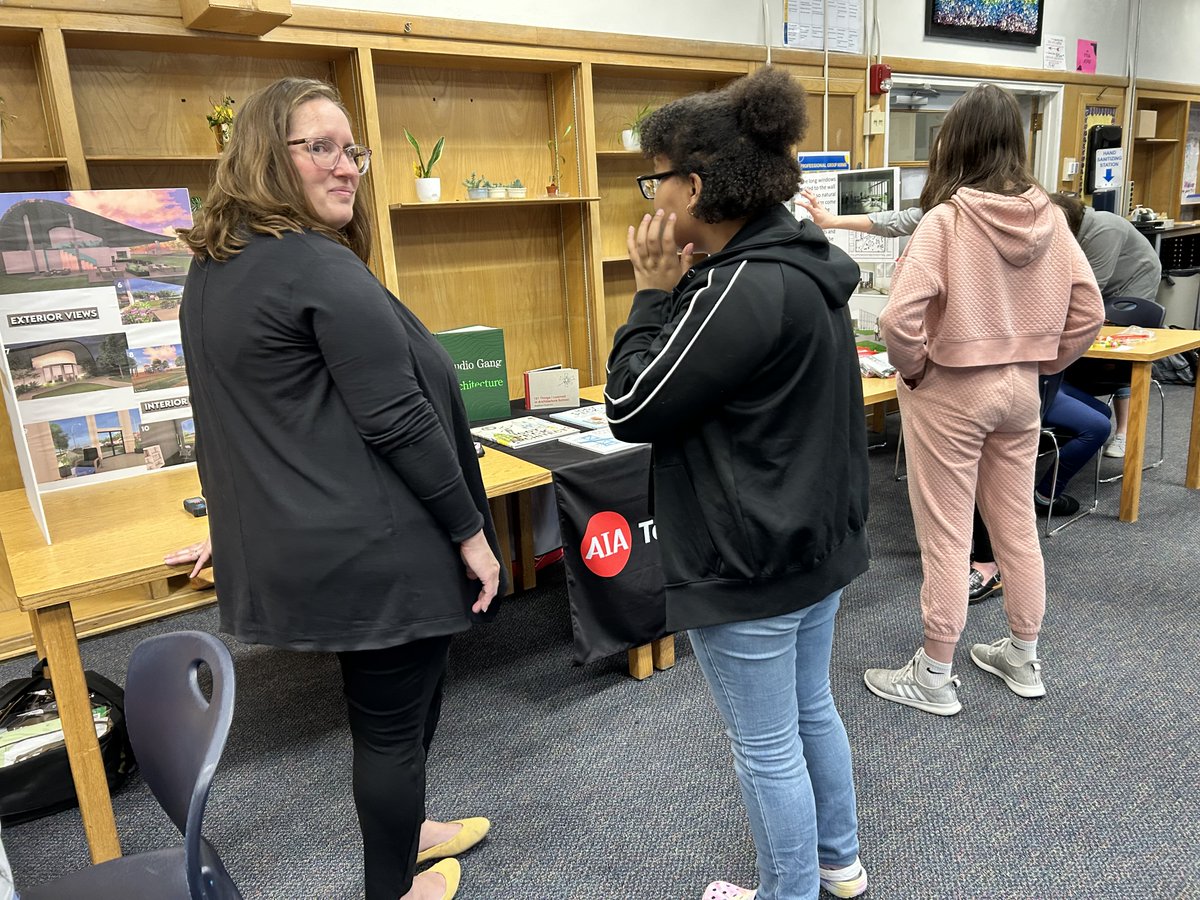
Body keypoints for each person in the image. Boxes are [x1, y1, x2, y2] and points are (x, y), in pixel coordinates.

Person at [171, 76, 502, 900]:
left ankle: (410, 828)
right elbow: (399, 422)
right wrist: (472, 534)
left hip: (318, 542)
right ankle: (394, 887)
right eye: (318, 147)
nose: (346, 165)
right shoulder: (319, 268)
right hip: (381, 549)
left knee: (391, 718)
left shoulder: (216, 270)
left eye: (349, 148)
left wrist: (233, 519)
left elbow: (244, 417)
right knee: (393, 727)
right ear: (262, 157)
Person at [605, 67, 870, 900]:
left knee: (766, 744)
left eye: (657, 180)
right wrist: (676, 288)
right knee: (810, 711)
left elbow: (630, 403)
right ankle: (841, 862)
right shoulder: (800, 260)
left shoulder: (739, 286)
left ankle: (789, 891)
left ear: (696, 184)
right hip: (808, 542)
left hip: (746, 556)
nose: (651, 200)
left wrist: (649, 295)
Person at [865, 83, 1104, 716]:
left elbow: (898, 321)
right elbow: (1089, 310)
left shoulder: (946, 221)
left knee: (946, 536)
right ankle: (1023, 656)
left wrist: (914, 370)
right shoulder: (1051, 216)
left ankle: (935, 672)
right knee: (1016, 525)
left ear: (955, 142)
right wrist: (1043, 359)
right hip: (1021, 391)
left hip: (951, 392)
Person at [1050, 191, 1164, 459]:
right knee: (1079, 342)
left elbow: (1090, 288)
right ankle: (1078, 421)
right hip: (1104, 286)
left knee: (1122, 353)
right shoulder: (1072, 233)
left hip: (1133, 282)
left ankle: (1124, 432)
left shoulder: (1104, 228)